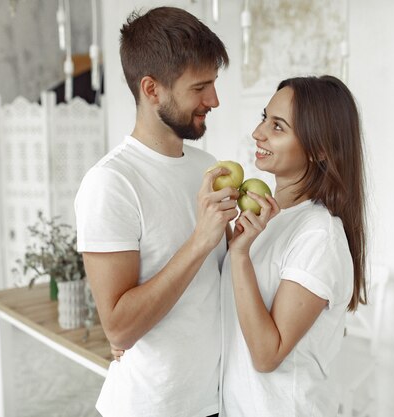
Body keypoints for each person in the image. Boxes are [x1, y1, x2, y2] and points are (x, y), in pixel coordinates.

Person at [74, 6, 238, 417]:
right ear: (152, 90)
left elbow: (207, 287)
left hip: (213, 397)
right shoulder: (111, 183)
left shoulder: (207, 167)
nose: (213, 100)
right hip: (152, 407)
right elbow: (120, 327)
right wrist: (201, 240)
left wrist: (238, 243)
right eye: (200, 87)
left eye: (214, 84)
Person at [220, 75, 368, 416]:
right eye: (263, 118)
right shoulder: (270, 217)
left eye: (277, 126)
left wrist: (239, 255)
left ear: (317, 149)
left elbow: (266, 354)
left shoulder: (319, 235)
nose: (258, 133)